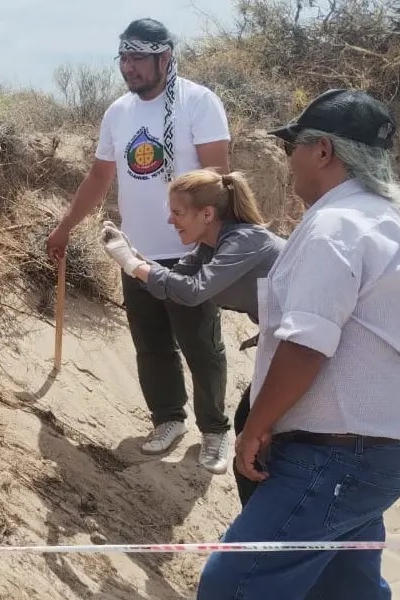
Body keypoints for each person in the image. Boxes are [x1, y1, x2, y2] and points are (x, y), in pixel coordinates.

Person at [189, 88, 400, 600]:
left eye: (291, 146)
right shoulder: (381, 220)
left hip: (334, 456)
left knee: (232, 592)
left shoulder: (334, 225)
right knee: (346, 593)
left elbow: (308, 344)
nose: (287, 159)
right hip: (373, 454)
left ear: (322, 150)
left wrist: (257, 427)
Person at [46, 18, 235, 473]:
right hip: (136, 253)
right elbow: (99, 177)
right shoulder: (118, 113)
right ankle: (168, 419)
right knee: (151, 345)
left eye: (137, 59)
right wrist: (67, 225)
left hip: (191, 254)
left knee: (201, 346)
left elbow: (220, 179)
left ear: (164, 58)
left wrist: (218, 240)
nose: (128, 68)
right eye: (124, 59)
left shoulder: (199, 103)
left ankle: (215, 431)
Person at [100, 168, 282, 501]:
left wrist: (130, 263)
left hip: (312, 344)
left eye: (178, 213)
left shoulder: (244, 241)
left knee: (260, 430)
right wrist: (134, 255)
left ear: (208, 213)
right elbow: (171, 282)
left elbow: (192, 291)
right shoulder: (208, 248)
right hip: (284, 340)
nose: (171, 221)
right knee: (252, 423)